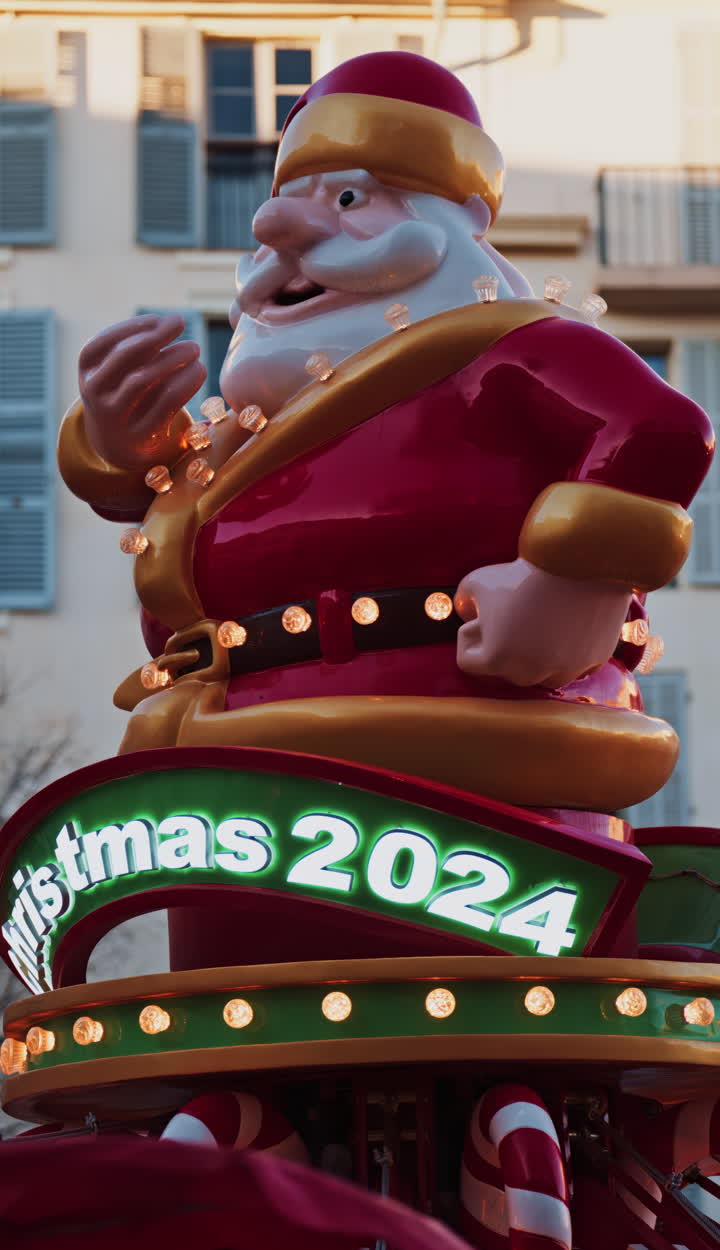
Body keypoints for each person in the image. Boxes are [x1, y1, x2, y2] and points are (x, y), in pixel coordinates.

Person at [59, 51, 714, 816]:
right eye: (281, 208)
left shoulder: (509, 347)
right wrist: (124, 446)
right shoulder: (248, 430)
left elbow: (663, 429)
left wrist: (571, 579)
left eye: (347, 198)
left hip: (452, 760)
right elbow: (162, 511)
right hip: (222, 768)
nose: (277, 227)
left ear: (453, 224)